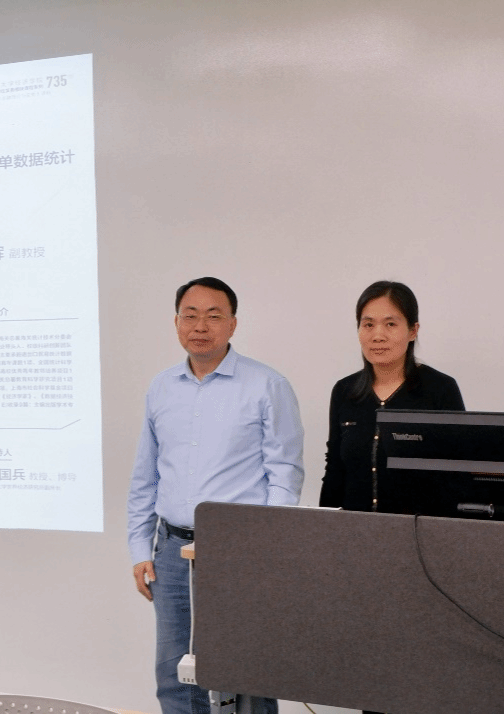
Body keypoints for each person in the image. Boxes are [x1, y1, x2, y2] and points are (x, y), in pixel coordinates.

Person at [127, 277, 304, 714]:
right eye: (190, 316)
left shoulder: (267, 385)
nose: (200, 326)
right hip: (171, 552)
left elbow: (285, 474)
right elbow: (146, 474)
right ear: (176, 322)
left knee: (246, 675)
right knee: (175, 678)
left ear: (232, 324)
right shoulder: (161, 387)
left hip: (238, 550)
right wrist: (139, 548)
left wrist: (266, 548)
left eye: (213, 316)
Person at [320, 280, 464, 511]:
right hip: (353, 527)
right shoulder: (344, 390)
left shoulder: (440, 389)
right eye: (368, 325)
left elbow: (456, 473)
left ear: (412, 331)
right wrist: (323, 524)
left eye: (390, 324)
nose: (378, 336)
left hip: (418, 529)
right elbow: (335, 468)